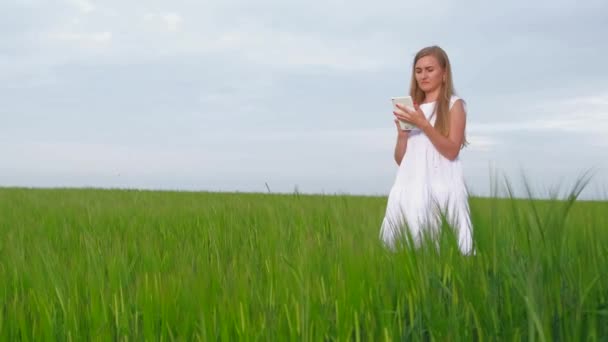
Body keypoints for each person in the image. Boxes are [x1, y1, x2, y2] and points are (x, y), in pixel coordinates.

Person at [379, 45, 474, 255]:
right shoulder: (413, 108)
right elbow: (401, 160)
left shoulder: (454, 105)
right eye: (418, 70)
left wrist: (424, 125)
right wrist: (402, 135)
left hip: (441, 188)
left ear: (444, 73)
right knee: (405, 251)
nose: (423, 75)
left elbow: (451, 151)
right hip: (410, 188)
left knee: (446, 251)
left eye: (429, 69)